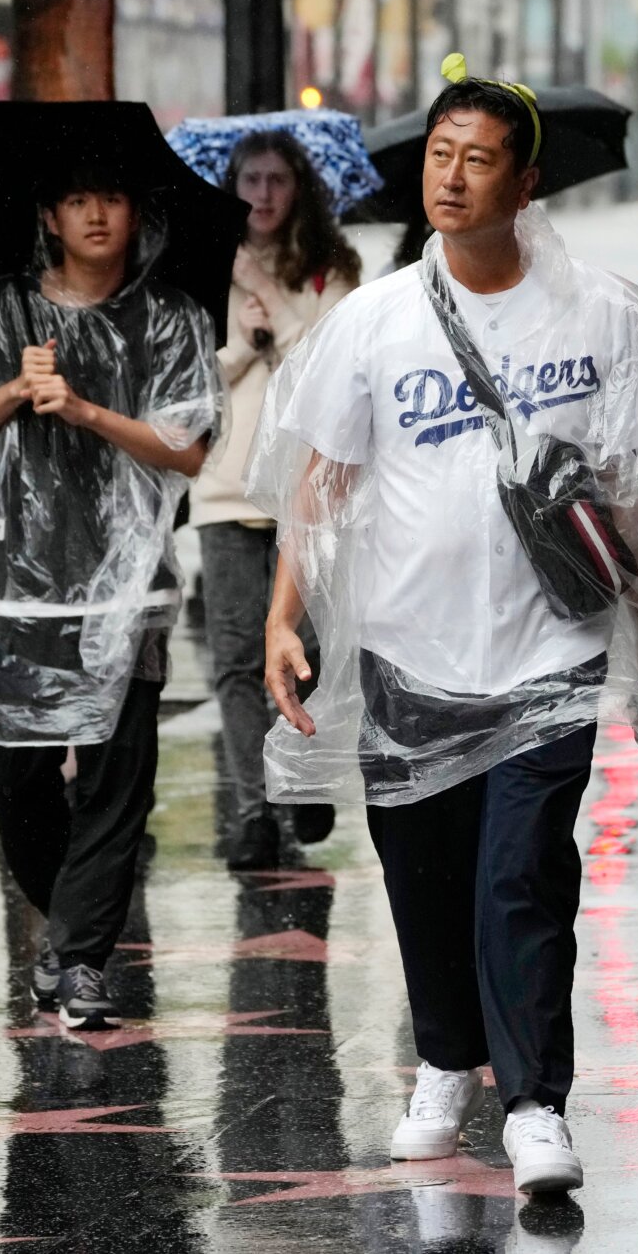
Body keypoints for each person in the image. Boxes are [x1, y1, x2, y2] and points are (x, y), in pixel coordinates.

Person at [249, 56, 638, 1193]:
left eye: (476, 159)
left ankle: (535, 1100)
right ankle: (446, 1065)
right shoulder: (378, 320)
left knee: (522, 877)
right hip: (408, 652)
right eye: (439, 157)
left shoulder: (606, 318)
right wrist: (285, 617)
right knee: (425, 874)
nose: (450, 178)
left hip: (549, 649)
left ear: (524, 180)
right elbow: (322, 483)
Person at [0, 160, 222, 1029]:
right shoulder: (0, 311)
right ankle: (65, 931)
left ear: (134, 211)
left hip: (129, 586)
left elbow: (188, 450)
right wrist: (13, 388)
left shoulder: (171, 317)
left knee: (122, 775)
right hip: (12, 586)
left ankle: (79, 958)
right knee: (17, 778)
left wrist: (84, 412)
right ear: (48, 214)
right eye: (76, 199)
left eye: (110, 198)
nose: (94, 215)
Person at [188, 130, 358, 866]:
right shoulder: (204, 269)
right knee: (232, 654)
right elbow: (187, 381)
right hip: (226, 484)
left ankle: (306, 777)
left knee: (307, 646)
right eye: (249, 179)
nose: (261, 194)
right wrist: (241, 346)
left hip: (308, 490)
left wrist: (277, 329)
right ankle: (254, 806)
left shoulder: (333, 271)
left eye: (276, 180)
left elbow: (341, 370)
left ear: (299, 189)